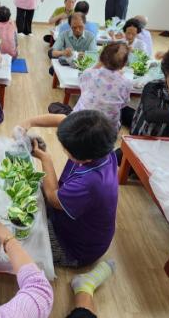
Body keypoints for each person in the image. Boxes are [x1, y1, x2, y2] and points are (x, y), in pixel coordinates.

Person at [19, 110, 119, 267]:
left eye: (66, 149)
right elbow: (62, 119)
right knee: (26, 189)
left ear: (85, 158)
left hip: (74, 248)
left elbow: (53, 199)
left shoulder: (91, 183)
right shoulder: (100, 144)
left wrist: (45, 158)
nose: (64, 150)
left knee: (17, 238)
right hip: (78, 223)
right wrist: (28, 122)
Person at [48, 42, 133, 130]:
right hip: (108, 129)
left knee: (55, 106)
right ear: (124, 64)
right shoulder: (126, 82)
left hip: (81, 122)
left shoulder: (90, 73)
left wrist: (98, 64)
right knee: (118, 119)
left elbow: (82, 86)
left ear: (101, 58)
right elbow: (124, 103)